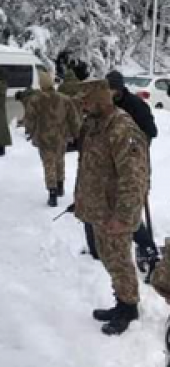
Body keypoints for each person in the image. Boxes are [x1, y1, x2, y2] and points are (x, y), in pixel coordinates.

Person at [73, 80, 149, 335]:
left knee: (119, 262)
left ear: (99, 100)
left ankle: (128, 308)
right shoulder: (95, 124)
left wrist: (123, 216)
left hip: (115, 213)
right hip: (99, 210)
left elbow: (134, 177)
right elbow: (91, 166)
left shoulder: (121, 128)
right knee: (109, 259)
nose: (82, 104)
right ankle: (122, 301)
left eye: (86, 100)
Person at [80, 71, 159, 273]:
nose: (110, 92)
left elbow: (151, 131)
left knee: (127, 215)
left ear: (119, 89)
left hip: (131, 165)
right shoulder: (100, 111)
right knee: (99, 216)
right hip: (106, 172)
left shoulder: (135, 105)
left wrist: (131, 144)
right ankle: (96, 251)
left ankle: (148, 249)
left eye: (112, 88)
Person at [23, 72, 81, 207]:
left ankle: (52, 193)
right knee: (60, 161)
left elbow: (29, 119)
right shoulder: (64, 99)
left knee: (48, 164)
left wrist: (30, 132)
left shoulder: (35, 100)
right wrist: (76, 134)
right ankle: (60, 185)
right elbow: (73, 119)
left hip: (43, 137)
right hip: (61, 136)